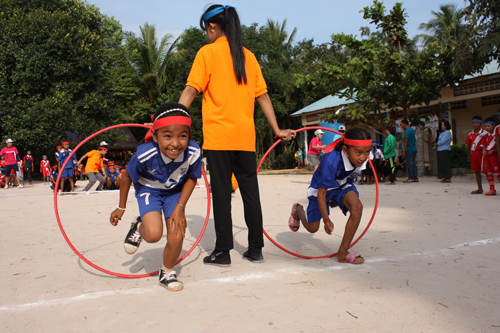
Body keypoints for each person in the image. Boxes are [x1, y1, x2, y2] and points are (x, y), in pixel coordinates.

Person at [177, 5, 295, 266]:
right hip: (244, 139)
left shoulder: (207, 53)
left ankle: (223, 252)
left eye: (206, 30)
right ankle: (255, 249)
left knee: (221, 195)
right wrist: (277, 130)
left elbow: (190, 91)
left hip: (219, 138)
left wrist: (169, 121)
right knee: (250, 193)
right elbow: (262, 96)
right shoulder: (248, 56)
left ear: (212, 27)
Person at [110, 103, 201, 291]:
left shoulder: (193, 151)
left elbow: (192, 177)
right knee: (153, 235)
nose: (175, 143)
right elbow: (126, 176)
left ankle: (167, 272)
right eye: (167, 136)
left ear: (189, 135)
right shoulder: (145, 154)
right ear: (155, 136)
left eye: (182, 136)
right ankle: (139, 225)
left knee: (176, 236)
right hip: (149, 191)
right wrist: (122, 207)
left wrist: (180, 208)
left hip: (175, 193)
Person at [288, 128, 371, 264]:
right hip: (321, 189)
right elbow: (322, 193)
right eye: (359, 152)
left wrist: (338, 200)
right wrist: (326, 219)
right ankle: (298, 211)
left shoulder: (361, 160)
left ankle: (342, 252)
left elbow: (350, 177)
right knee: (312, 228)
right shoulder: (331, 160)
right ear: (345, 150)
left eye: (367, 152)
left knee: (357, 207)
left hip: (341, 185)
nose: (363, 157)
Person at [479, 117, 500, 196]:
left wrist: (494, 151)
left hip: (494, 156)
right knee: (489, 172)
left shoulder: (496, 134)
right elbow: (483, 145)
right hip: (487, 156)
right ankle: (492, 189)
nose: (487, 128)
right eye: (485, 126)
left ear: (493, 125)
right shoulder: (485, 135)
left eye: (488, 126)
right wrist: (484, 150)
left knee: (498, 172)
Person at [466, 116, 487, 194]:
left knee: (486, 171)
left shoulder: (484, 133)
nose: (475, 124)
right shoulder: (470, 134)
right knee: (477, 172)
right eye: (473, 123)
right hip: (474, 154)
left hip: (482, 153)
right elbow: (468, 145)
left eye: (477, 123)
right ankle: (479, 189)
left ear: (480, 123)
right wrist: (468, 155)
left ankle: (492, 188)